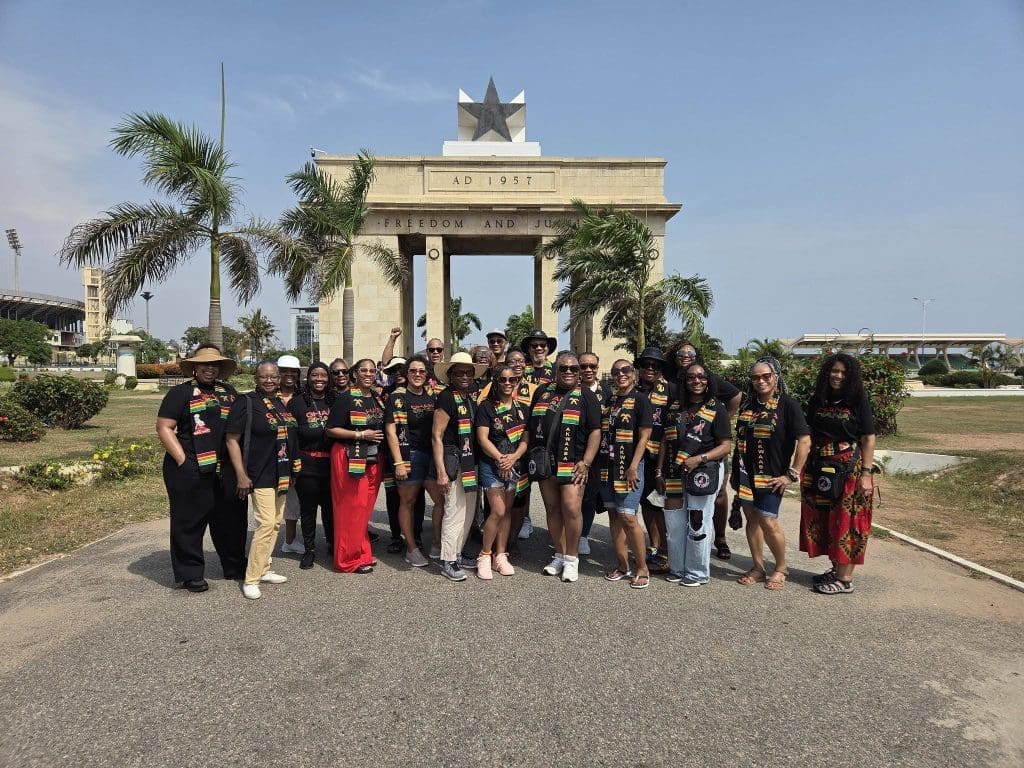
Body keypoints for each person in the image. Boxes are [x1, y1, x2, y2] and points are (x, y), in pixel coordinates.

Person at [156, 344, 246, 592]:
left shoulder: (229, 392)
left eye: (214, 364)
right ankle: (191, 573)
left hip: (224, 467)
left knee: (230, 519)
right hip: (190, 466)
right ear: (194, 367)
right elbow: (164, 427)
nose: (210, 368)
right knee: (189, 521)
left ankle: (234, 566)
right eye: (204, 364)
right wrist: (183, 460)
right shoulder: (180, 393)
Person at [799, 353, 877, 594]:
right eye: (834, 371)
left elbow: (868, 437)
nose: (838, 376)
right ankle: (836, 569)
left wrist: (866, 473)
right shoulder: (819, 399)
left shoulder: (857, 400)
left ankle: (845, 580)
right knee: (824, 520)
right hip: (819, 466)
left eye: (843, 372)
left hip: (848, 469)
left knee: (848, 521)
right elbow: (808, 433)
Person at [732, 356, 811, 590]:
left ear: (776, 378)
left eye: (766, 376)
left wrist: (791, 474)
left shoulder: (788, 405)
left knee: (768, 521)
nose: (761, 381)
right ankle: (757, 567)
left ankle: (781, 567)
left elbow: (804, 441)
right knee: (752, 520)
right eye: (756, 377)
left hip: (772, 476)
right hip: (745, 475)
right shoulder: (748, 405)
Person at [224, 361, 299, 600]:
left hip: (282, 473)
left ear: (279, 379)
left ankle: (264, 568)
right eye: (264, 376)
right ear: (256, 378)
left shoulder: (280, 403)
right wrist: (241, 474)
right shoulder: (246, 402)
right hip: (259, 473)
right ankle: (251, 578)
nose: (269, 380)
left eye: (273, 376)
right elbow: (231, 440)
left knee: (275, 523)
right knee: (266, 524)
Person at [658, 361, 733, 586]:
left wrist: (699, 458)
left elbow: (726, 446)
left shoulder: (716, 407)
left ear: (707, 380)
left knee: (697, 522)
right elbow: (664, 440)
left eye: (701, 377)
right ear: (685, 381)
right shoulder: (674, 407)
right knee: (674, 525)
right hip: (673, 471)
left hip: (703, 471)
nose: (696, 381)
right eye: (691, 377)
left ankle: (697, 573)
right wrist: (658, 470)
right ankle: (678, 568)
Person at [529, 351, 602, 582]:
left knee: (571, 508)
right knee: (552, 509)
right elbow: (533, 426)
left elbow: (595, 431)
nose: (569, 372)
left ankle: (572, 559)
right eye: (564, 368)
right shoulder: (542, 392)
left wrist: (586, 462)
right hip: (546, 462)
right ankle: (559, 554)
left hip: (574, 462)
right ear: (555, 370)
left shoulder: (587, 396)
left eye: (573, 369)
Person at [669, 341, 742, 560]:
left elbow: (736, 395)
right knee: (682, 500)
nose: (686, 356)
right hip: (681, 449)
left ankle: (720, 538)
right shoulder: (673, 380)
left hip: (710, 450)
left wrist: (719, 420)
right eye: (681, 353)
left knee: (717, 493)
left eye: (690, 353)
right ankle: (683, 549)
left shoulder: (707, 377)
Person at [325, 359, 386, 574]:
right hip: (349, 455)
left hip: (373, 458)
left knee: (364, 508)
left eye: (372, 370)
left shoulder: (377, 398)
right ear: (355, 374)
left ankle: (361, 552)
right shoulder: (347, 398)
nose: (368, 374)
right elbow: (331, 429)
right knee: (350, 507)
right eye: (364, 370)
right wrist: (361, 434)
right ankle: (346, 560)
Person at [432, 351, 488, 581]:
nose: (464, 376)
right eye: (459, 373)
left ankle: (457, 552)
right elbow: (436, 436)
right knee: (454, 511)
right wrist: (441, 472)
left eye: (468, 372)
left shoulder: (469, 396)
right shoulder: (446, 397)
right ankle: (448, 559)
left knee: (469, 512)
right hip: (453, 462)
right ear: (450, 375)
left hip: (470, 461)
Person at [598, 359, 654, 589]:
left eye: (625, 370)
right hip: (607, 466)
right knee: (614, 516)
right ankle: (622, 565)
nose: (620, 374)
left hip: (629, 467)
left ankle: (642, 568)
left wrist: (633, 465)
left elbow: (644, 436)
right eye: (615, 371)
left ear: (634, 373)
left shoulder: (640, 400)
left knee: (629, 517)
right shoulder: (611, 400)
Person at [383, 354, 441, 567]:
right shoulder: (398, 397)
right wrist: (398, 462)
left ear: (427, 374)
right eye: (413, 371)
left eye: (422, 371)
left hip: (433, 456)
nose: (417, 374)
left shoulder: (433, 395)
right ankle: (411, 548)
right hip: (411, 455)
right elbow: (391, 432)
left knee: (440, 501)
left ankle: (437, 542)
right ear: (406, 374)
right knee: (408, 502)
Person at [474, 364, 530, 579]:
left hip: (514, 465)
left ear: (517, 382)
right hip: (491, 465)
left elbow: (526, 438)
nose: (507, 383)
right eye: (503, 380)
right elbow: (482, 438)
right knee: (497, 511)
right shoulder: (486, 407)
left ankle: (500, 555)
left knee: (506, 512)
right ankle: (485, 554)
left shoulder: (522, 409)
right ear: (495, 382)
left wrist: (513, 458)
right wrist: (501, 459)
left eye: (512, 380)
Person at [289, 361, 335, 569]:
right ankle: (309, 550)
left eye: (323, 375)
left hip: (333, 465)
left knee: (330, 508)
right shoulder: (297, 403)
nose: (319, 379)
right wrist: (293, 466)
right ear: (309, 378)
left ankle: (332, 544)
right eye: (315, 375)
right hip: (307, 465)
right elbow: (290, 439)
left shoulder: (336, 401)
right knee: (308, 510)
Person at [634, 346, 674, 572]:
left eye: (655, 366)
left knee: (659, 504)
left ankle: (666, 552)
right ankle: (654, 546)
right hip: (638, 456)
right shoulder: (633, 389)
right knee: (646, 504)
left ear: (660, 369)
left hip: (661, 456)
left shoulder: (671, 391)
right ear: (639, 368)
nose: (650, 369)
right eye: (646, 365)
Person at [504, 349, 539, 547]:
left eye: (520, 361)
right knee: (500, 498)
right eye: (512, 361)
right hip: (501, 451)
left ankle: (513, 540)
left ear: (526, 364)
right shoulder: (495, 386)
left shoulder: (536, 389)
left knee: (520, 494)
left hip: (524, 449)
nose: (517, 364)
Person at [578, 351, 611, 555]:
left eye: (592, 366)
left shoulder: (607, 392)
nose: (588, 370)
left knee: (589, 495)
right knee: (571, 496)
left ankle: (583, 536)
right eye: (584, 366)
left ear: (598, 368)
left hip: (599, 453)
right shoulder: (572, 390)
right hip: (574, 451)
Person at [276, 354, 305, 556]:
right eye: (284, 371)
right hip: (272, 454)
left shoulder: (303, 396)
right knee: (274, 500)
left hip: (297, 452)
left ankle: (290, 540)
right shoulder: (268, 395)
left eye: (292, 372)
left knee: (293, 498)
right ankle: (266, 543)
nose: (289, 375)